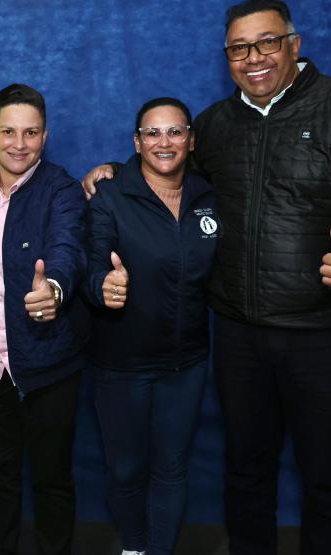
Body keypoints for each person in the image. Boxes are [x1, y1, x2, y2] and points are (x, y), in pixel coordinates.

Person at [81, 2, 331, 553]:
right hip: (238, 334)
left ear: (294, 44)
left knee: (327, 475)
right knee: (245, 472)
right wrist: (117, 172)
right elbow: (168, 170)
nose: (253, 57)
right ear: (227, 57)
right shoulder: (215, 125)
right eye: (239, 48)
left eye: (267, 42)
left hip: (324, 332)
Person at [86, 98, 216, 555]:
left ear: (191, 141)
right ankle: (134, 547)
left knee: (171, 469)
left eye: (175, 132)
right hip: (122, 364)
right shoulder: (110, 196)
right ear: (137, 143)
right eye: (153, 133)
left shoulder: (208, 196)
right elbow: (90, 264)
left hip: (186, 363)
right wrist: (101, 285)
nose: (165, 142)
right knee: (125, 469)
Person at [0, 84, 86, 555]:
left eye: (31, 133)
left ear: (45, 136)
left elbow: (68, 248)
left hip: (48, 365)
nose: (19, 144)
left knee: (52, 478)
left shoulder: (61, 190)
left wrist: (53, 288)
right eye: (9, 132)